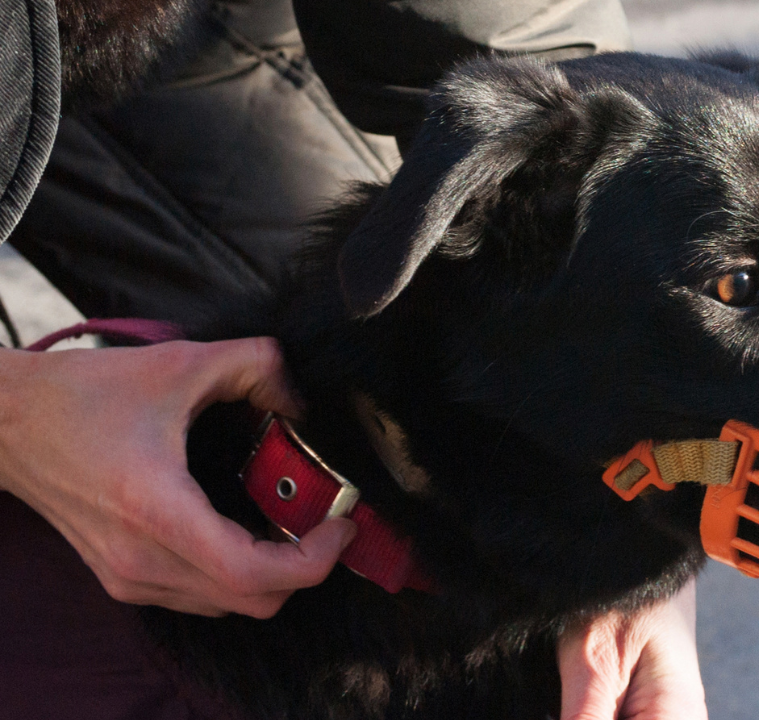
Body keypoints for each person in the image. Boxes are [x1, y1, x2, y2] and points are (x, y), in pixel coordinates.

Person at [0, 1, 707, 717]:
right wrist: (18, 420)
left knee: (387, 324)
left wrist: (640, 549)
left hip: (147, 38)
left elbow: (531, 38)